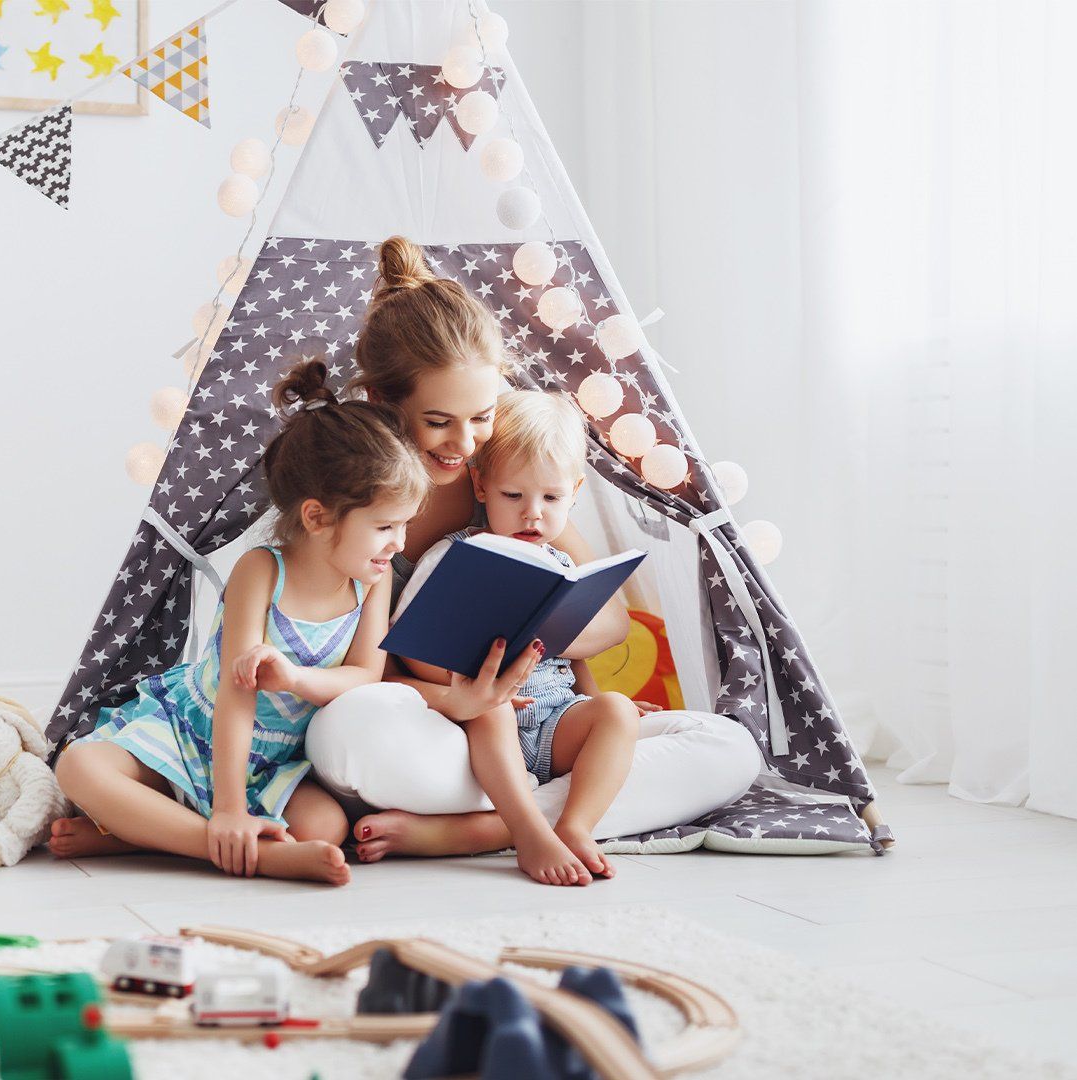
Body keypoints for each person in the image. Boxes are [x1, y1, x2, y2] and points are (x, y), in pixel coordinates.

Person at [306, 236, 761, 876]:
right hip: (438, 737)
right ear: (385, 401)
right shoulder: (353, 498)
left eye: (482, 417)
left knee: (730, 747)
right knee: (350, 731)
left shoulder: (505, 486)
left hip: (532, 722)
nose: (464, 444)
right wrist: (460, 701)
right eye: (439, 422)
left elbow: (608, 621)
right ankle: (522, 816)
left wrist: (540, 652)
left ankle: (486, 830)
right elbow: (344, 673)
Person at [50, 358, 430, 886]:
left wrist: (296, 679)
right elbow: (236, 693)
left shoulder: (373, 579)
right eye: (385, 525)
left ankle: (141, 835)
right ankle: (218, 844)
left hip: (278, 760)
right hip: (201, 731)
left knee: (325, 825)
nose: (400, 542)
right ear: (317, 518)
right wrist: (228, 808)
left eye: (405, 524)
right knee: (80, 766)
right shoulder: (263, 570)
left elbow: (367, 674)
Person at [383, 390, 643, 885]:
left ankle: (575, 826)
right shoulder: (455, 555)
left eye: (551, 498)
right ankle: (526, 830)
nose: (533, 515)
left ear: (575, 492)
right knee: (493, 705)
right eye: (513, 496)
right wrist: (469, 684)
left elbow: (568, 659)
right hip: (484, 722)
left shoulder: (560, 562)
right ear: (480, 487)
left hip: (553, 722)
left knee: (617, 711)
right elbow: (407, 647)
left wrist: (594, 703)